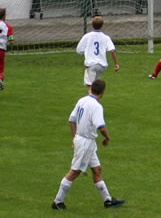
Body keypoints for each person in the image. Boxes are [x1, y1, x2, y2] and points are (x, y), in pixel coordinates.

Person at [51, 79, 125, 210]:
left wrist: (75, 137)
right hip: (85, 143)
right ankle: (57, 201)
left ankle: (107, 200)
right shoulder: (96, 106)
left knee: (97, 170)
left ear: (91, 88)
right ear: (103, 92)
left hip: (84, 141)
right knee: (74, 172)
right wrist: (107, 138)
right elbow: (101, 127)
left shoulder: (82, 100)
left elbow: (71, 119)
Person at [76, 16, 119, 93]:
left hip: (91, 65)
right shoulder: (106, 37)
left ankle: (92, 103)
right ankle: (97, 99)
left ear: (92, 25)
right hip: (102, 66)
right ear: (102, 25)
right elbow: (112, 51)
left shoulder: (87, 36)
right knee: (96, 86)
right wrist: (116, 64)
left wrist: (86, 51)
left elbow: (79, 50)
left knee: (90, 87)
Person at [0, 7, 14, 91]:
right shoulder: (8, 26)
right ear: (4, 16)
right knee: (0, 69)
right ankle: (0, 79)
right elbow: (11, 40)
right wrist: (11, 41)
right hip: (1, 50)